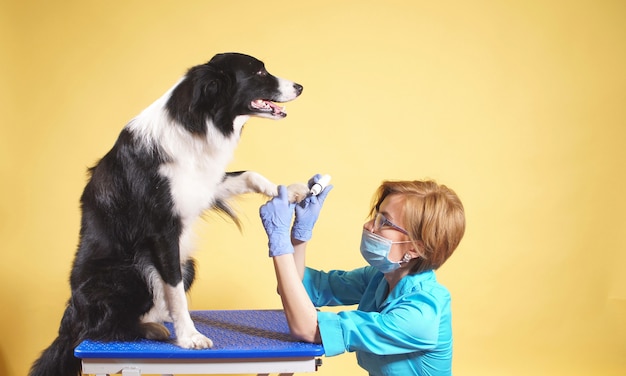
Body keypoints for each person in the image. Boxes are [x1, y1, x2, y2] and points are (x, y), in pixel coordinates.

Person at [259, 175, 466, 376]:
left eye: (384, 222)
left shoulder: (420, 314)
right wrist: (300, 235)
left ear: (415, 248)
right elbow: (296, 287)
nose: (369, 225)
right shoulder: (380, 278)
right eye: (376, 216)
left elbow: (309, 330)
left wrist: (279, 241)